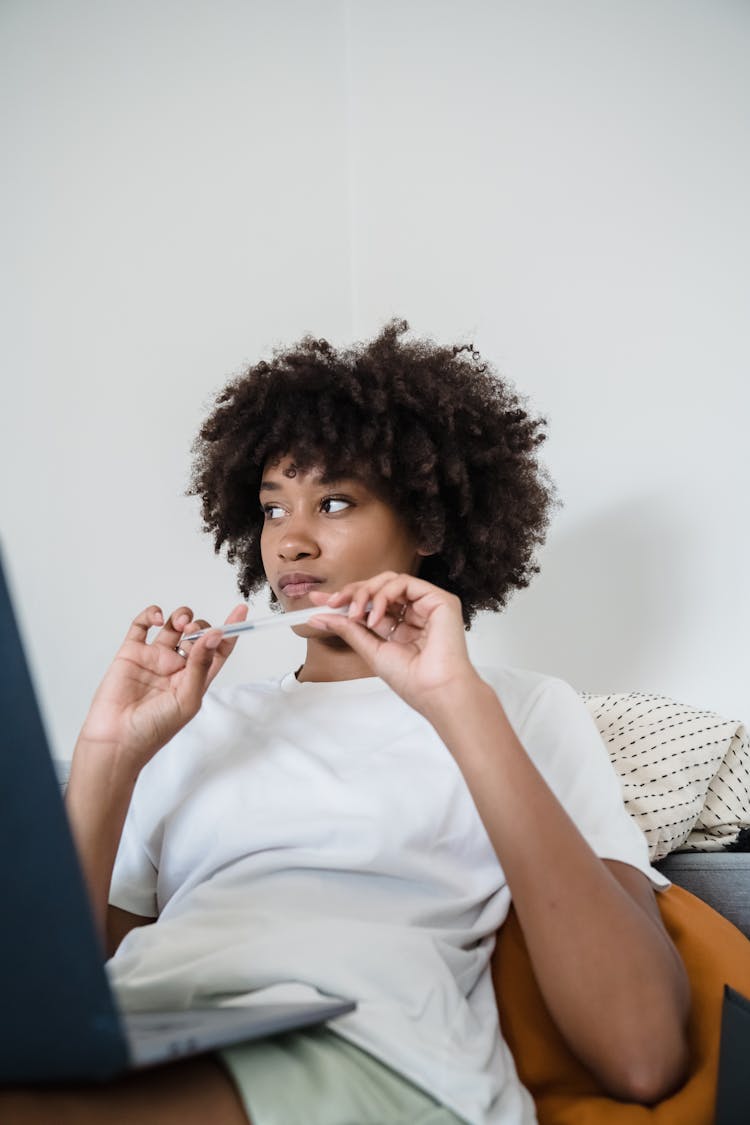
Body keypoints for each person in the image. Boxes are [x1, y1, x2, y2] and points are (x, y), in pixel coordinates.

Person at [1, 320, 690, 1124]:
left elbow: (642, 1051)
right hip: (156, 1030)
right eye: (270, 508)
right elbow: (58, 991)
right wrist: (108, 757)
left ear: (428, 525)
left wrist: (455, 702)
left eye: (333, 502)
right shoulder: (198, 716)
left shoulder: (522, 707)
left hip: (365, 1047)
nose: (290, 541)